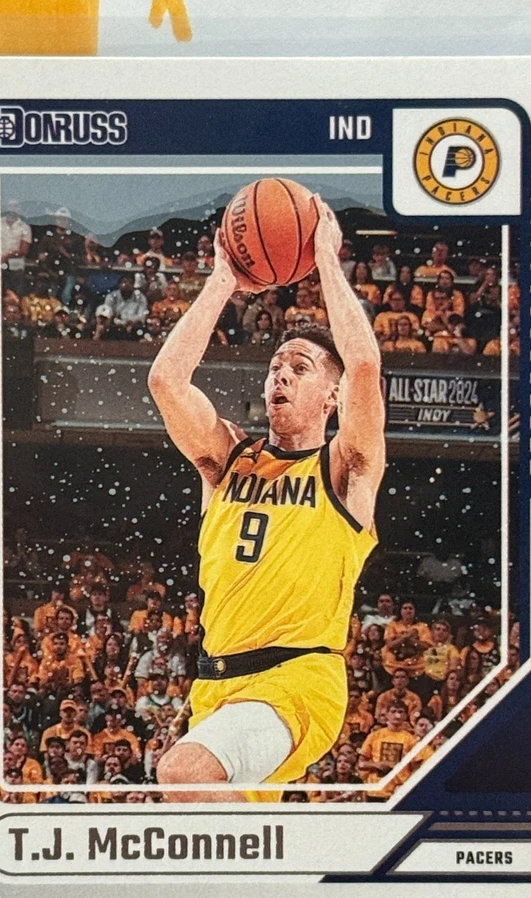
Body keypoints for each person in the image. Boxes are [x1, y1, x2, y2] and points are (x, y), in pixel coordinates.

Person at [147, 194, 385, 798]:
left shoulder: (345, 468)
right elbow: (166, 380)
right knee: (217, 840)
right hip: (216, 689)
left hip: (298, 679)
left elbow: (363, 367)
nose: (281, 374)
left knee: (183, 773)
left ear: (331, 398)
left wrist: (326, 259)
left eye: (300, 368)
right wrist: (222, 280)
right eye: (276, 366)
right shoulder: (228, 458)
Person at [358, 701, 417, 799]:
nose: (397, 715)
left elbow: (416, 767)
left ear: (406, 716)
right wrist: (376, 765)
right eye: (393, 711)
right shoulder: (374, 736)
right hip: (376, 791)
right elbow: (361, 764)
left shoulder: (411, 739)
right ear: (387, 715)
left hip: (399, 792)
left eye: (400, 712)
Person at [35, 207, 83, 305]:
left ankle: (65, 311)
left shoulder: (75, 238)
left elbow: (80, 257)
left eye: (64, 219)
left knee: (66, 295)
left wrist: (66, 254)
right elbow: (41, 256)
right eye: (60, 219)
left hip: (69, 272)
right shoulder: (48, 238)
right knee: (52, 295)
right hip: (51, 271)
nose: (62, 221)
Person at [0, 200, 32, 296]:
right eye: (11, 206)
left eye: (16, 206)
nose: (13, 209)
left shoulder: (24, 227)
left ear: (19, 209)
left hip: (15, 266)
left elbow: (24, 250)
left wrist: (6, 256)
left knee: (14, 293)